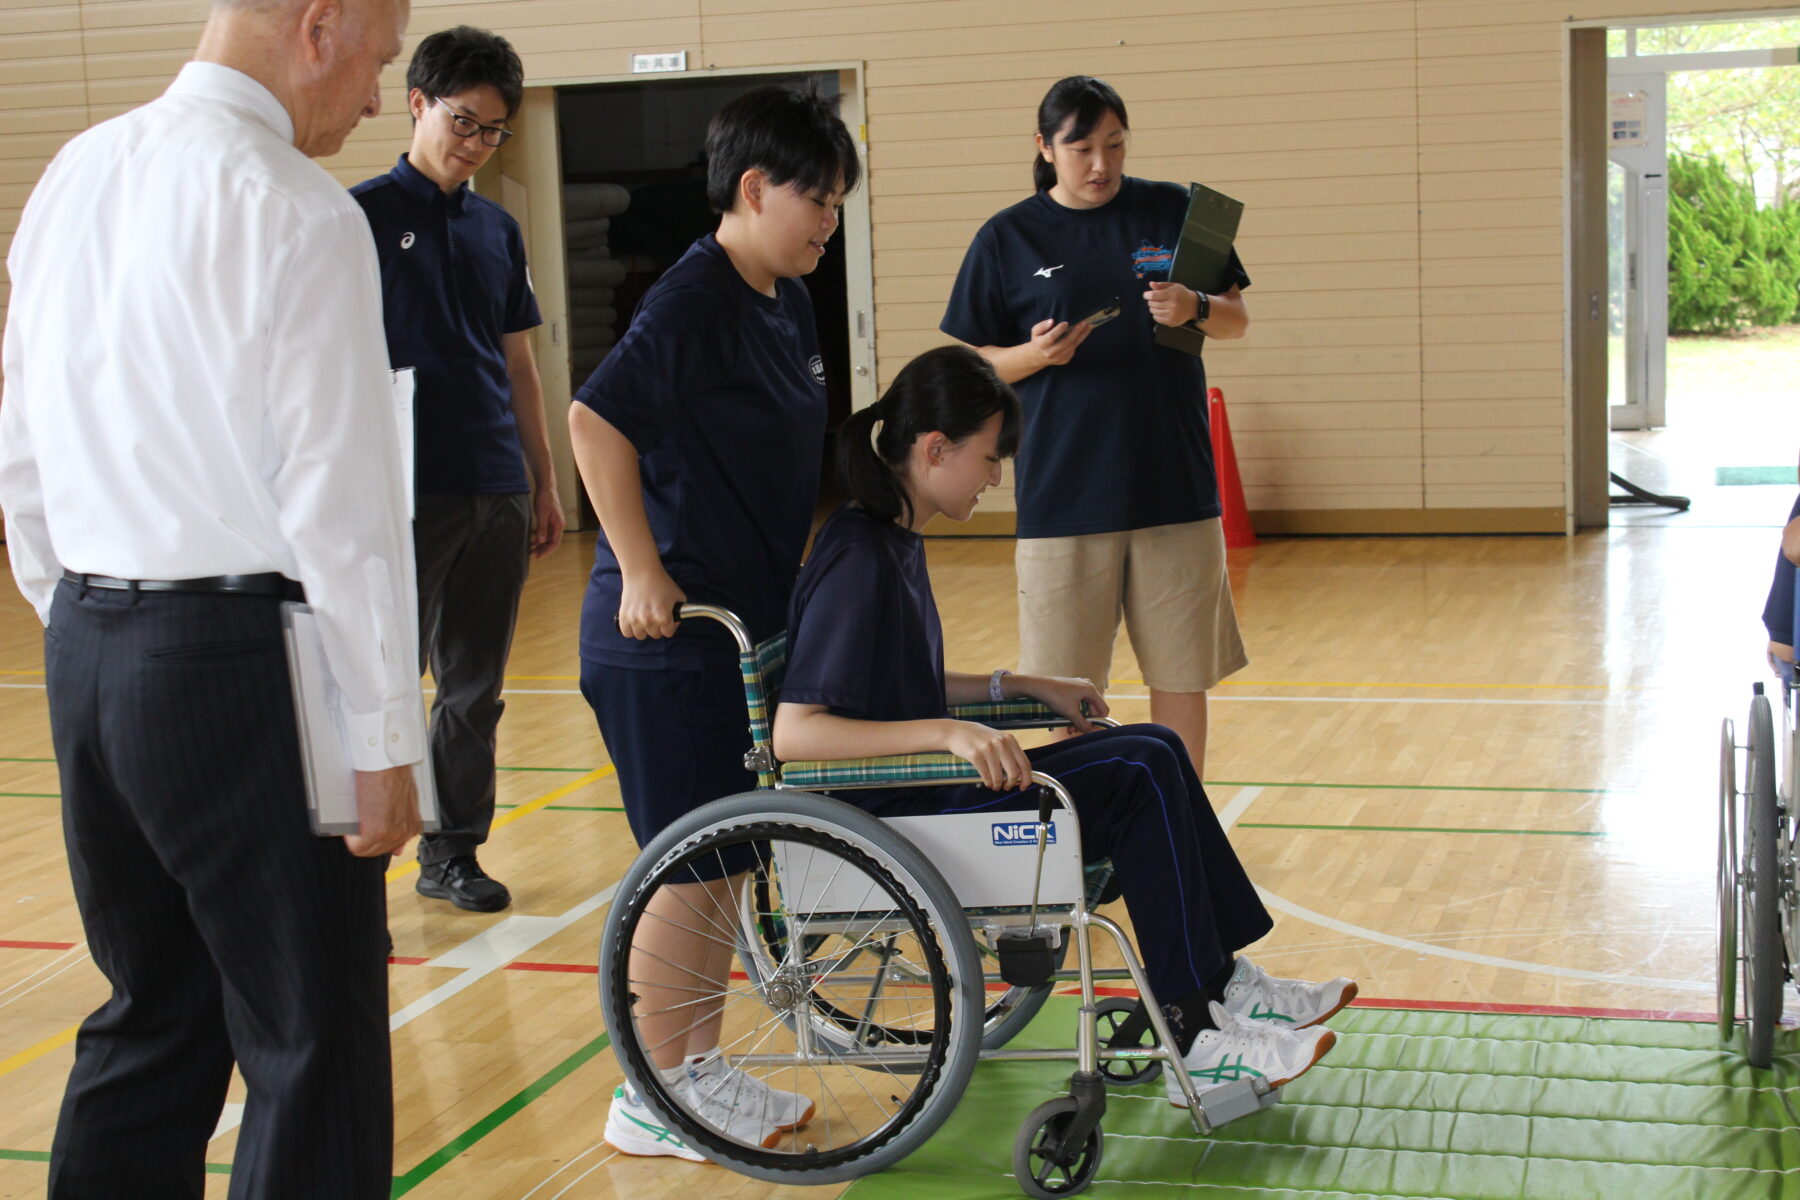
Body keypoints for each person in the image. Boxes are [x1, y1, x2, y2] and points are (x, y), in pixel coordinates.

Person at [0, 0, 423, 1194]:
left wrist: (89, 618)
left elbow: (20, 446)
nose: (377, 98)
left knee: (154, 1016)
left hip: (89, 644)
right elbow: (342, 509)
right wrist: (385, 739)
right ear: (319, 27)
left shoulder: (75, 173)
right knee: (313, 1039)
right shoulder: (296, 210)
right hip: (245, 660)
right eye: (381, 62)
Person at [771, 346, 1354, 1107]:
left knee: (1157, 747)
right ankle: (1194, 1033)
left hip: (931, 791)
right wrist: (948, 734)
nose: (994, 477)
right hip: (909, 811)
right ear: (934, 448)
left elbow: (894, 682)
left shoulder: (888, 537)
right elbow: (796, 733)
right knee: (1139, 771)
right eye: (987, 458)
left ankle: (1225, 987)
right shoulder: (859, 556)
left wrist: (1019, 684)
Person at [567, 84, 859, 1160]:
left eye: (835, 199)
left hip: (742, 627)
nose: (830, 218)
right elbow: (594, 419)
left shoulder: (782, 295)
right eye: (817, 199)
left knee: (727, 856)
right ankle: (651, 1095)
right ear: (753, 189)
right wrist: (638, 567)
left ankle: (692, 1066)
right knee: (687, 864)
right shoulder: (695, 297)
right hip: (665, 637)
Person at [941, 75, 1251, 777]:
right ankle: (1088, 822)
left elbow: (1235, 315)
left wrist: (1194, 304)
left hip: (1174, 488)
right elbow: (975, 364)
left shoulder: (1171, 209)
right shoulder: (1007, 236)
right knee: (1065, 692)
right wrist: (1033, 355)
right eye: (1080, 148)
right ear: (1045, 148)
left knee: (1181, 673)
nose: (1100, 164)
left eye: (1114, 144)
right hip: (1062, 497)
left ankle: (1181, 814)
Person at [352, 24, 561, 913]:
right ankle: (355, 855)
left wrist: (545, 482)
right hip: (400, 492)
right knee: (381, 681)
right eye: (461, 121)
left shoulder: (496, 229)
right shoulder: (354, 219)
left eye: (491, 132)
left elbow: (520, 365)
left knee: (473, 690)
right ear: (416, 103)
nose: (473, 144)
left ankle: (452, 851)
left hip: (496, 487)